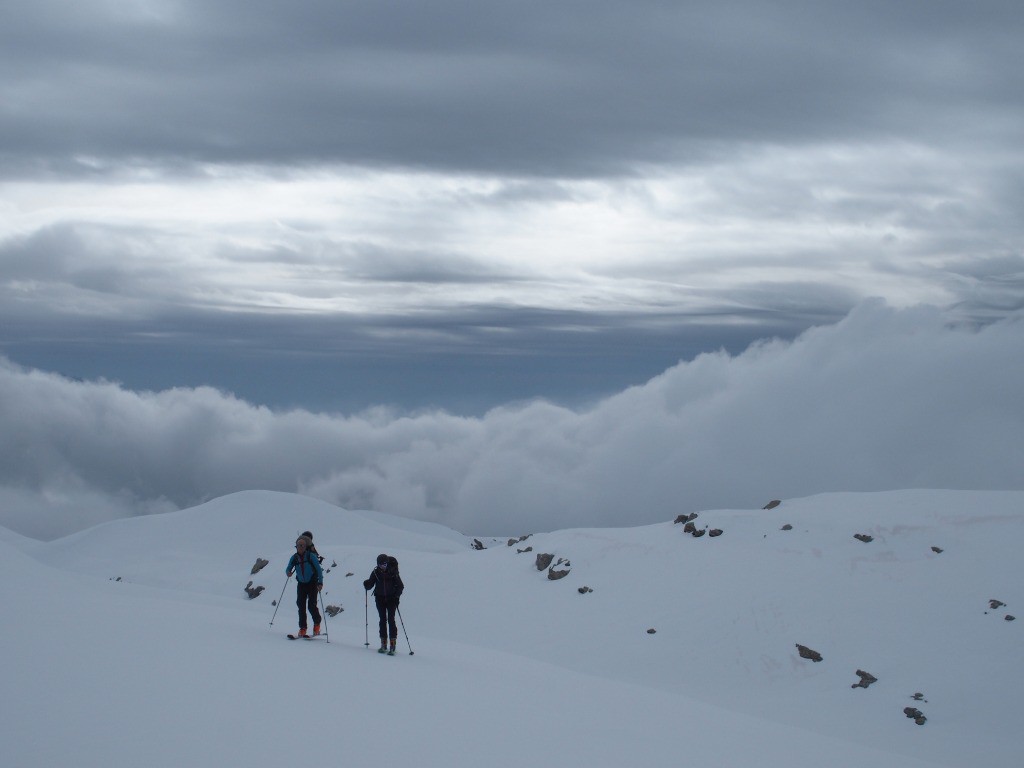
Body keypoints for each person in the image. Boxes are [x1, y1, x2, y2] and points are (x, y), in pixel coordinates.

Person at [363, 553, 404, 654]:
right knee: (382, 620)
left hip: (392, 599)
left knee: (391, 619)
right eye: (381, 565)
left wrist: (397, 596)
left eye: (385, 564)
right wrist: (367, 584)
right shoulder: (376, 573)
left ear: (387, 563)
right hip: (380, 598)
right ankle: (383, 644)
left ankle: (393, 644)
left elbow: (400, 586)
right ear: (378, 564)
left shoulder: (393, 572)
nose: (383, 567)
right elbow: (370, 584)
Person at [286, 536, 323, 637]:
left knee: (311, 605)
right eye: (298, 546)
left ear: (305, 546)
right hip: (301, 584)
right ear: (296, 547)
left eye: (302, 545)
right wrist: (288, 572)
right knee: (301, 605)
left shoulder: (311, 556)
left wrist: (320, 582)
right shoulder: (294, 558)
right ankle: (303, 628)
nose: (300, 547)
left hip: (312, 583)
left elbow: (319, 570)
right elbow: (288, 567)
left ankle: (317, 624)